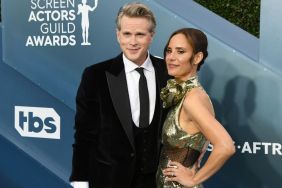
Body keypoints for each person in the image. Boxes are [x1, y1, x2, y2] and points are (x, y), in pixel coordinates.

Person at [70, 2, 169, 188]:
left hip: (156, 181)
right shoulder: (96, 75)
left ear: (151, 36)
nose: (132, 42)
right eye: (127, 34)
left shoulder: (168, 72)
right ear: (118, 35)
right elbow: (84, 133)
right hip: (109, 179)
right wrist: (80, 180)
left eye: (140, 34)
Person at [156, 28, 236, 188]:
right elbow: (201, 138)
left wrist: (193, 179)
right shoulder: (188, 93)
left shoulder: (193, 99)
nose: (171, 58)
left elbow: (226, 146)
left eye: (180, 52)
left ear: (197, 57)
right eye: (169, 51)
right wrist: (194, 161)